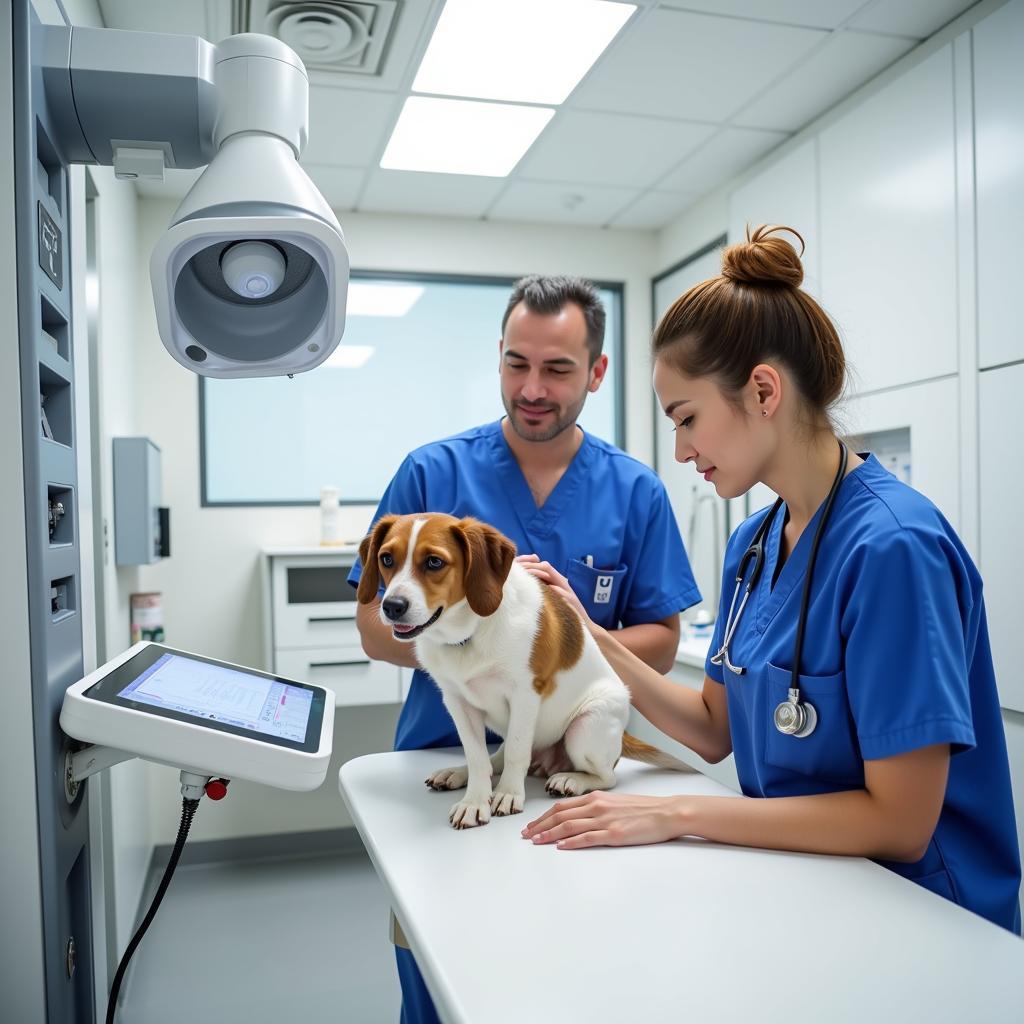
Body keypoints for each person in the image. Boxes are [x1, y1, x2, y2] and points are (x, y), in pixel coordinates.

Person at [521, 226, 1022, 936]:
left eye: (687, 418)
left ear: (762, 390)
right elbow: (713, 728)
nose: (681, 449)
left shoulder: (894, 549)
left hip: (927, 919)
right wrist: (587, 634)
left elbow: (902, 821)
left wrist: (674, 812)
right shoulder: (752, 546)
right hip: (807, 894)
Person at [348, 274, 702, 1022]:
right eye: (517, 364)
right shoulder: (432, 475)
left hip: (565, 777)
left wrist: (550, 633)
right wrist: (468, 638)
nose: (532, 388)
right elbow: (375, 625)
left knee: (569, 979)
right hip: (438, 766)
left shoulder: (635, 492)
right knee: (438, 977)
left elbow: (662, 644)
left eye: (558, 369)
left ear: (597, 372)